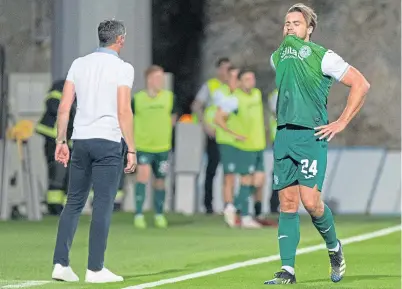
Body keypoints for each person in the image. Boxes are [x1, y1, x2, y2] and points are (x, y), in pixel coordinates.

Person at [264, 3, 370, 285]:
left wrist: (341, 122)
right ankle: (287, 270)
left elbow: (361, 84)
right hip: (284, 135)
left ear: (309, 29)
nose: (289, 27)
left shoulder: (325, 57)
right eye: (287, 23)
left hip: (311, 136)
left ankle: (334, 249)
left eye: (296, 23)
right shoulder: (277, 58)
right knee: (286, 202)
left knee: (311, 202)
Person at [51, 19, 136, 283]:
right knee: (102, 205)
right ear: (120, 39)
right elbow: (124, 110)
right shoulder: (123, 68)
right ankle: (95, 269)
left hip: (81, 141)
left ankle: (60, 264)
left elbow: (64, 107)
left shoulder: (79, 63)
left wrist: (61, 141)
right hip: (108, 142)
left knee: (74, 202)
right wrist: (131, 148)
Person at [215, 68, 265, 229]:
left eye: (252, 78)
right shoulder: (234, 99)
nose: (251, 81)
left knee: (258, 181)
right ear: (240, 82)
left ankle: (234, 207)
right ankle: (244, 216)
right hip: (246, 146)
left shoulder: (257, 94)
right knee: (245, 180)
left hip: (259, 144)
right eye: (247, 79)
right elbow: (218, 118)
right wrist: (234, 133)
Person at [132, 65, 177, 229]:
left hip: (162, 146)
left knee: (160, 181)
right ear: (149, 80)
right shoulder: (137, 99)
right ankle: (138, 214)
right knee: (142, 176)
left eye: (162, 78)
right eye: (157, 78)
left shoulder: (169, 97)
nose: (160, 82)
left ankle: (159, 214)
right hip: (143, 145)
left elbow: (173, 118)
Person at [191, 57, 231, 214]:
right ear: (218, 70)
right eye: (224, 69)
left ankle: (229, 204)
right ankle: (208, 204)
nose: (226, 72)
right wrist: (205, 125)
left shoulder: (233, 86)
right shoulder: (211, 86)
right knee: (211, 170)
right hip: (214, 134)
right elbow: (196, 105)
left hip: (229, 135)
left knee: (230, 171)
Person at [35, 80, 76, 215]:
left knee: (67, 173)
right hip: (54, 138)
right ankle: (54, 206)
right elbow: (53, 105)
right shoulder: (62, 86)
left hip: (66, 140)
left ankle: (62, 206)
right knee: (58, 171)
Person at [267, 89, 280, 215]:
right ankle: (274, 204)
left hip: (295, 137)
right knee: (279, 171)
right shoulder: (275, 94)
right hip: (280, 138)